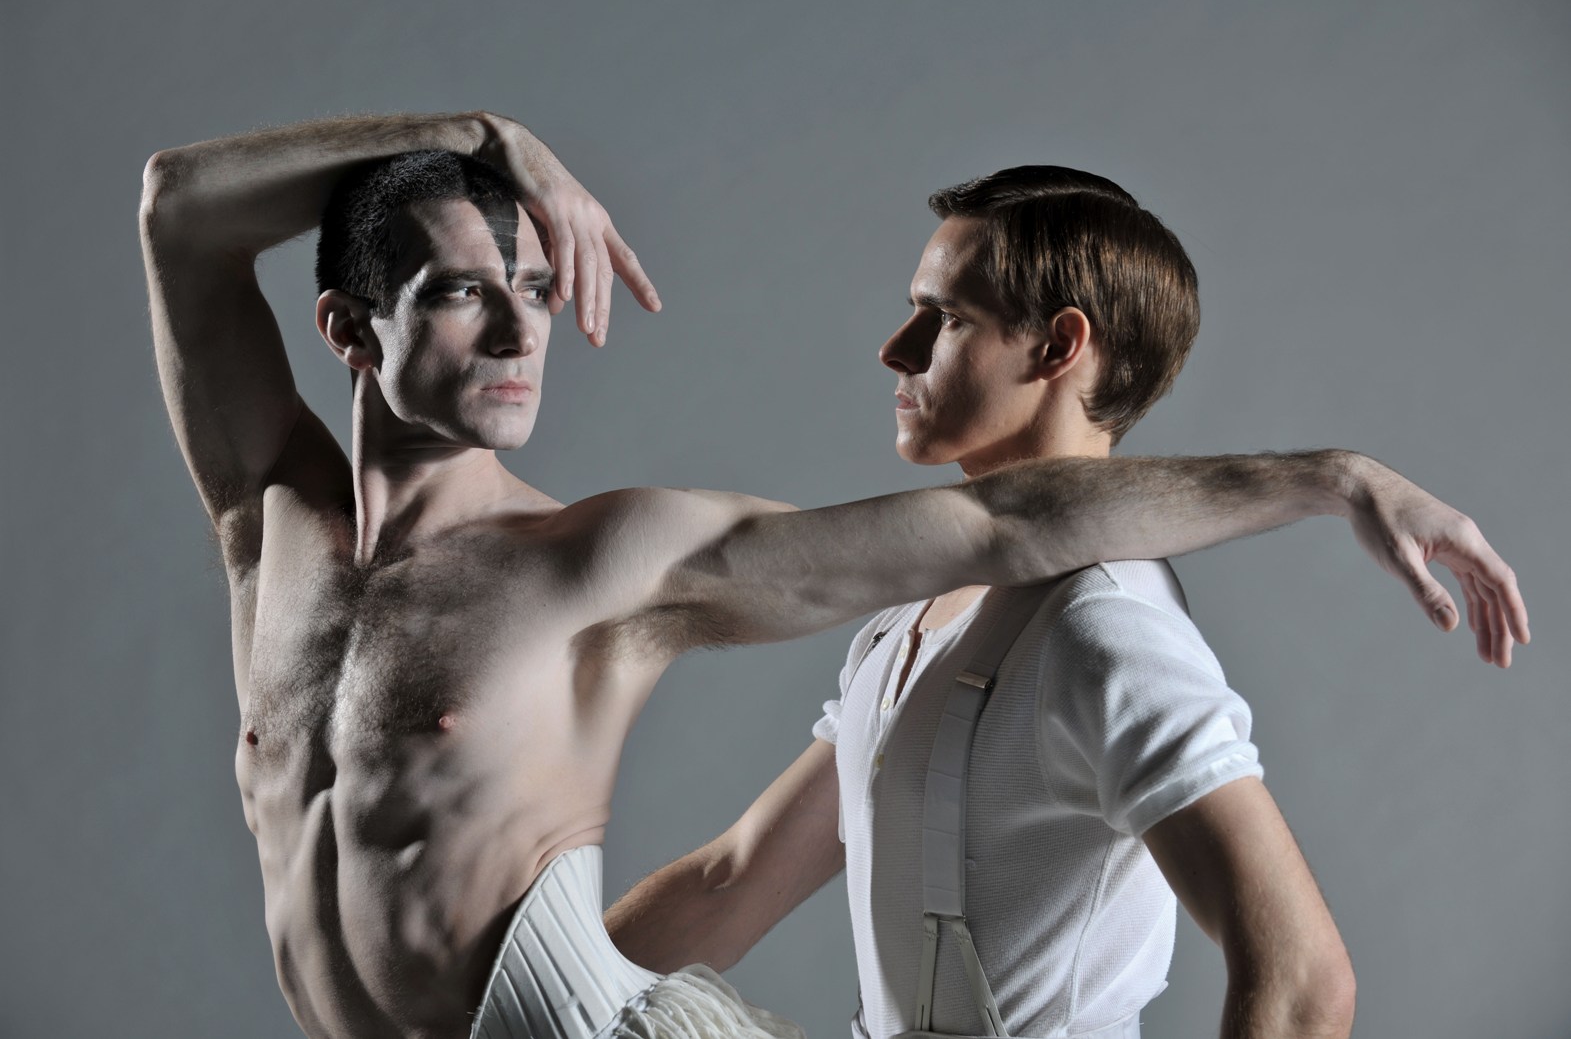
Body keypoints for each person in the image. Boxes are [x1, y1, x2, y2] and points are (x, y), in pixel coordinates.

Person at [137, 111, 1525, 1039]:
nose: (517, 329)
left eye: (539, 292)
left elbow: (1016, 528)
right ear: (348, 327)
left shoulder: (611, 563)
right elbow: (734, 872)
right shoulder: (273, 527)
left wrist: (1335, 473)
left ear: (1054, 346)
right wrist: (484, 135)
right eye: (458, 291)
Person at [604, 166, 1530, 1039]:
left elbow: (1303, 983)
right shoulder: (908, 619)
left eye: (945, 317)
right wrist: (506, 997)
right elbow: (732, 882)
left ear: (1059, 345)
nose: (896, 349)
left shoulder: (1102, 629)